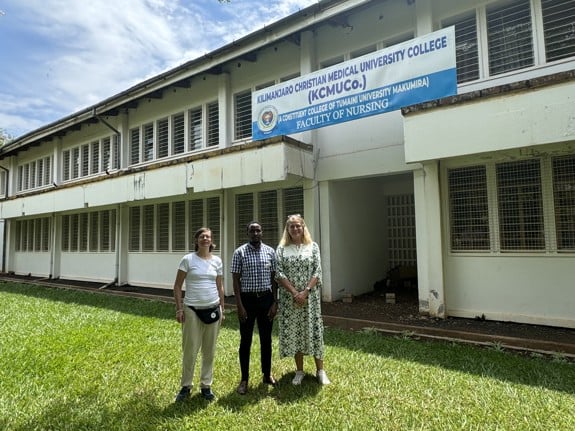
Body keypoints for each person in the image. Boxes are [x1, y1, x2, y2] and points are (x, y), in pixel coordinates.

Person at [275, 214, 330, 385]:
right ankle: (299, 371)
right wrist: (294, 293)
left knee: (313, 332)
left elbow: (317, 271)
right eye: (292, 226)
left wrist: (305, 292)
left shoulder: (312, 247)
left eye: (298, 225)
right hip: (290, 300)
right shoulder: (281, 249)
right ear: (287, 229)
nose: (295, 229)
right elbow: (279, 273)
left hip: (310, 300)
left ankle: (320, 370)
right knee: (296, 332)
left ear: (303, 227)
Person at [173, 227, 224, 402]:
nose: (205, 239)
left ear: (212, 240)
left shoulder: (217, 261)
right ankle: (186, 386)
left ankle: (206, 386)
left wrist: (222, 309)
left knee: (209, 351)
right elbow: (178, 286)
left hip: (213, 309)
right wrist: (179, 309)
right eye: (202, 237)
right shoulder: (188, 260)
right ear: (196, 240)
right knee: (190, 350)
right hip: (192, 310)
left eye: (208, 237)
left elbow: (220, 287)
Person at [231, 221, 278, 395]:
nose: (255, 233)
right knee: (246, 341)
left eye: (258, 230)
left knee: (267, 340)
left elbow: (274, 279)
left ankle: (267, 374)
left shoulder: (270, 252)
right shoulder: (239, 253)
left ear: (262, 232)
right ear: (248, 233)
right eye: (252, 231)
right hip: (247, 301)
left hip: (266, 299)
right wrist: (239, 306)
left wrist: (275, 302)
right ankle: (244, 379)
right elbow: (235, 281)